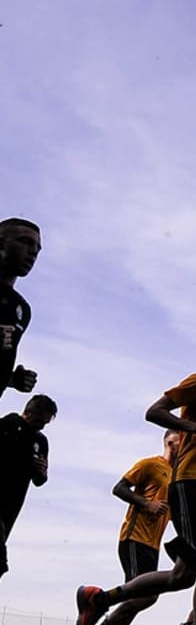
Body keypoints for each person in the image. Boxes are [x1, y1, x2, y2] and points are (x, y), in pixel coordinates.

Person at [76, 326, 196, 625]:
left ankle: (99, 598)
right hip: (189, 482)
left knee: (183, 576)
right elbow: (154, 412)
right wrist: (193, 426)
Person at [76, 429, 181, 625]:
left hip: (153, 543)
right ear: (170, 441)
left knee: (143, 597)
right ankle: (97, 618)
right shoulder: (149, 464)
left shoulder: (177, 475)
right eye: (182, 439)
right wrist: (146, 504)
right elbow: (119, 488)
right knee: (144, 595)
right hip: (135, 537)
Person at [0, 394, 56, 577]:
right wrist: (26, 462)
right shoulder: (9, 424)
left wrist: (41, 472)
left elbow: (39, 480)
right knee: (0, 562)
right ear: (29, 412)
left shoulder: (40, 441)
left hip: (12, 506)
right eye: (39, 421)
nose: (41, 426)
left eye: (45, 423)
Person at [0, 217, 42, 399]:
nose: (33, 252)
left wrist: (11, 379)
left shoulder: (20, 309)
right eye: (25, 242)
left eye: (37, 249)